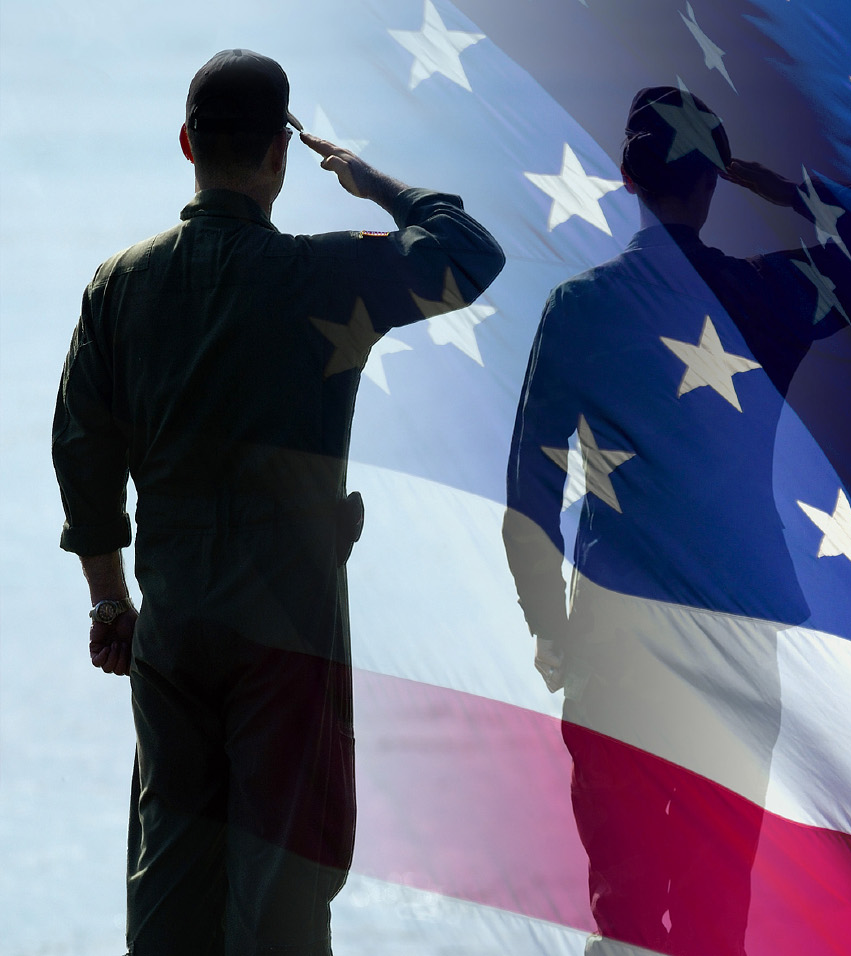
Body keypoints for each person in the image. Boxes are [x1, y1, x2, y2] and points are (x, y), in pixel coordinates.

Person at [51, 49, 504, 954]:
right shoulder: (326, 276)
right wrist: (375, 182)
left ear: (186, 143)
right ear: (279, 158)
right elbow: (471, 253)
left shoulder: (117, 287)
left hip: (173, 628)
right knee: (283, 897)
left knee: (172, 891)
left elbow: (81, 457)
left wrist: (111, 601)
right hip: (288, 635)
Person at [503, 86, 851, 955]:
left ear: (626, 176)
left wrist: (551, 630)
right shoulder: (768, 294)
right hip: (738, 635)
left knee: (623, 908)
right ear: (712, 181)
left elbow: (530, 498)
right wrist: (779, 187)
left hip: (615, 639)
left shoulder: (578, 309)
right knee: (714, 908)